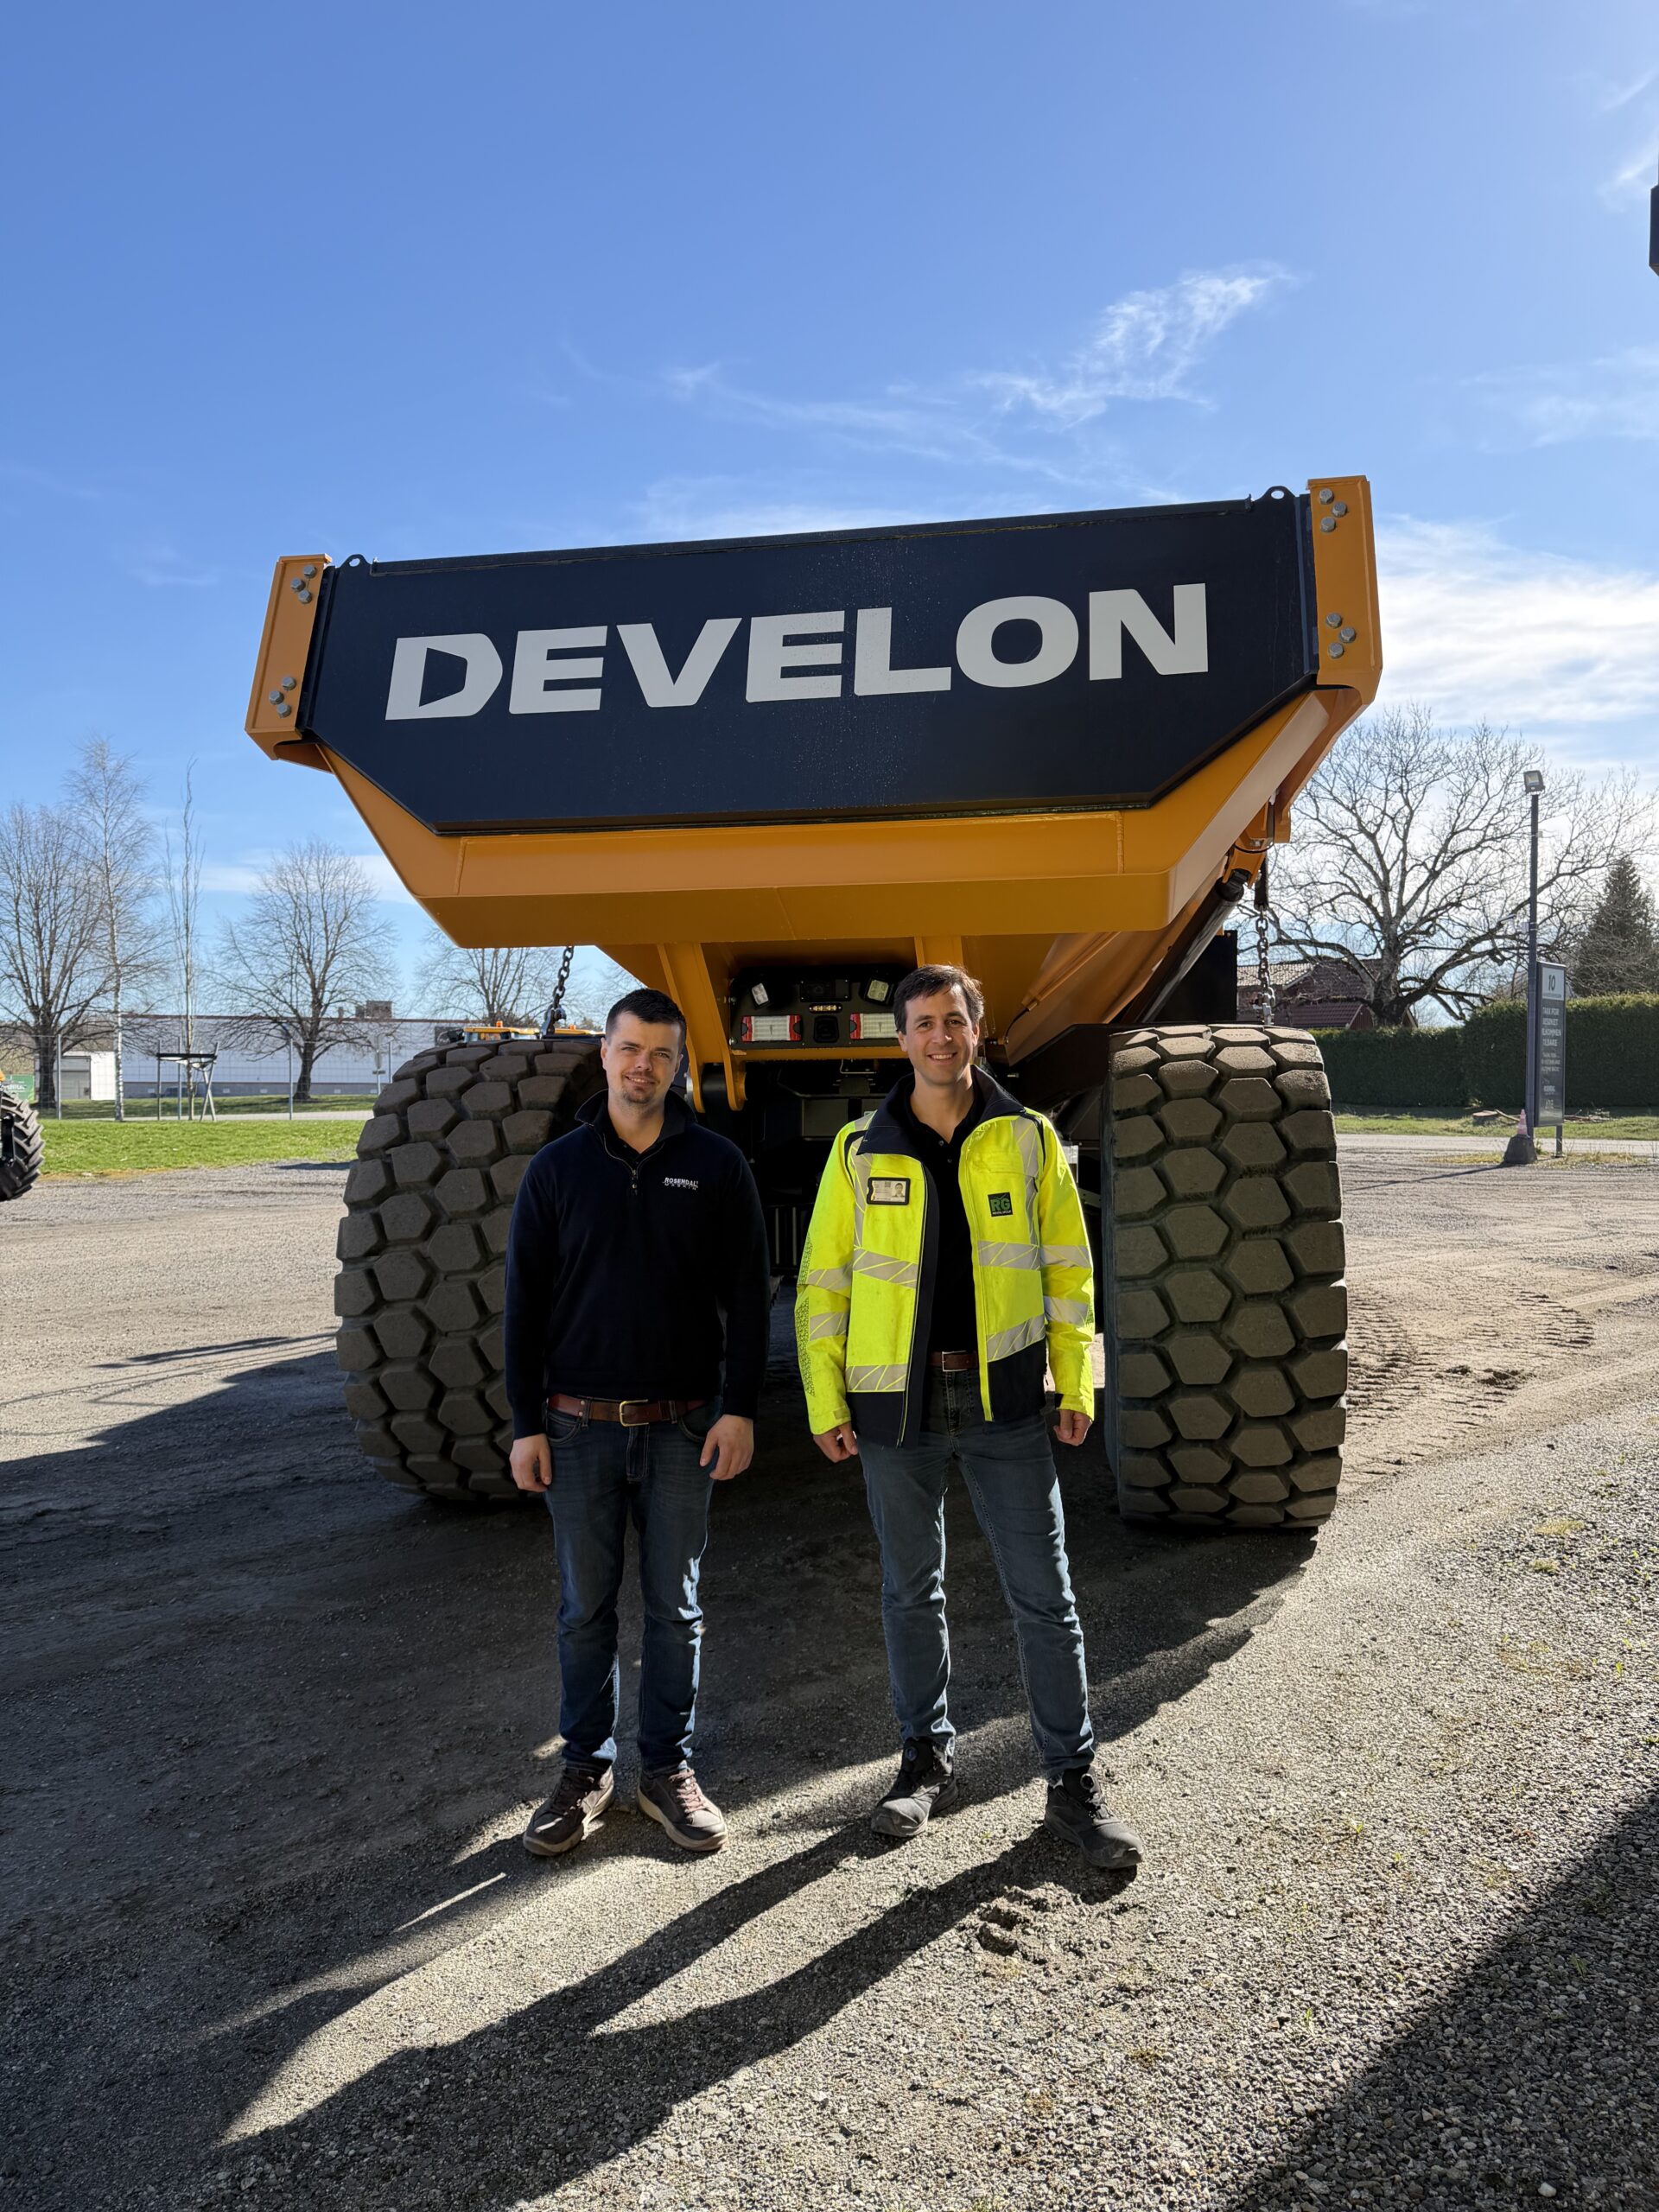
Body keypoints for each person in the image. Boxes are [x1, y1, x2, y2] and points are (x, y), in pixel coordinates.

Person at [796, 963, 1143, 1869]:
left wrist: (1078, 1384)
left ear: (976, 1031)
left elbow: (1071, 1272)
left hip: (1007, 1401)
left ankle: (1073, 1781)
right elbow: (821, 1286)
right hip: (893, 1411)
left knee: (1047, 1597)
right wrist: (825, 1399)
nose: (939, 1037)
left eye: (954, 1020)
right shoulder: (855, 1152)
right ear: (900, 1038)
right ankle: (923, 1761)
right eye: (922, 1023)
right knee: (912, 1592)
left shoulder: (1029, 1140)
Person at [505, 987, 769, 1859]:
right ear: (605, 1054)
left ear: (679, 1065)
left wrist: (738, 1407)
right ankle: (584, 1768)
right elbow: (523, 1308)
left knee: (675, 1608)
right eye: (629, 1048)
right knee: (584, 1611)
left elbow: (747, 1298)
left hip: (683, 1428)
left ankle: (666, 1768)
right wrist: (524, 1423)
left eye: (660, 1052)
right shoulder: (557, 1170)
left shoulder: (718, 1164)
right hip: (575, 1427)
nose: (642, 1065)